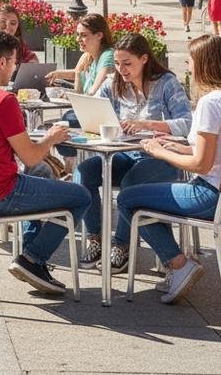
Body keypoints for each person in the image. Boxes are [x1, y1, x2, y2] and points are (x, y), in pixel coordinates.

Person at [0, 29, 91, 295]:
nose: (14, 69)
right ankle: (33, 257)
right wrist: (51, 138)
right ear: (1, 62)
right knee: (80, 196)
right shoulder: (2, 100)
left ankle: (30, 260)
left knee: (42, 173)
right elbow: (31, 155)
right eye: (13, 63)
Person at [116, 35, 221, 304]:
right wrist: (176, 146)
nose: (188, 67)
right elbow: (215, 151)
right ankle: (176, 265)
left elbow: (201, 165)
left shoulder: (210, 103)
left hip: (213, 197)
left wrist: (160, 152)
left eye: (190, 61)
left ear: (204, 64)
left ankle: (180, 265)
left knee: (128, 199)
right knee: (147, 198)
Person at [74, 33, 193, 272]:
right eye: (117, 64)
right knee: (84, 172)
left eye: (127, 63)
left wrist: (147, 125)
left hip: (162, 156)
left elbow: (187, 123)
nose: (122, 70)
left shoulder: (166, 82)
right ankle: (96, 237)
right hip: (125, 153)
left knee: (131, 183)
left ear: (144, 59)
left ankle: (122, 245)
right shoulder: (114, 82)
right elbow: (93, 110)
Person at [45, 13, 116, 96]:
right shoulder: (88, 55)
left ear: (99, 35)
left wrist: (71, 96)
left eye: (83, 35)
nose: (78, 39)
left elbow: (94, 92)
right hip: (85, 102)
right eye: (78, 35)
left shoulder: (108, 55)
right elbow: (78, 73)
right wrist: (57, 74)